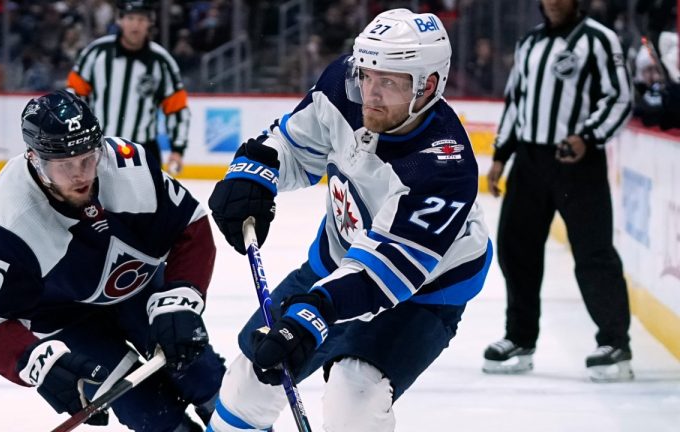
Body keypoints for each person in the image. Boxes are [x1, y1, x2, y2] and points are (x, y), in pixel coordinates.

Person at [207, 9, 492, 431]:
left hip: (425, 290)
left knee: (353, 397)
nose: (371, 94)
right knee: (248, 382)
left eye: (390, 83)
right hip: (338, 258)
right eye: (368, 76)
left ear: (428, 86)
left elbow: (386, 271)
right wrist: (255, 172)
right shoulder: (346, 85)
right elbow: (295, 144)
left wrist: (313, 314)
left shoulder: (442, 165)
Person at [0, 90, 225, 431]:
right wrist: (36, 362)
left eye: (88, 158)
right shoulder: (10, 221)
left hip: (138, 285)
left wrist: (180, 297)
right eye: (64, 165)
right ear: (35, 159)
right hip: (65, 317)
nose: (81, 175)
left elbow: (191, 225)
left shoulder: (129, 165)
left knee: (200, 371)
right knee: (147, 411)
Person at [483, 0, 633, 382]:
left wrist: (588, 136)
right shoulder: (529, 42)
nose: (553, 2)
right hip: (529, 162)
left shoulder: (600, 40)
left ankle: (615, 342)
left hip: (577, 164)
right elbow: (516, 101)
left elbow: (619, 97)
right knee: (516, 250)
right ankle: (520, 337)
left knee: (593, 252)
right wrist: (501, 155)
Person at [67, 0, 189, 173]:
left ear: (150, 22)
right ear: (119, 20)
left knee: (148, 200)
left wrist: (177, 149)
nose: (135, 25)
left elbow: (177, 107)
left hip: (144, 149)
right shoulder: (96, 53)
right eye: (130, 18)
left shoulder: (162, 61)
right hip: (99, 147)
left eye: (141, 19)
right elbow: (74, 98)